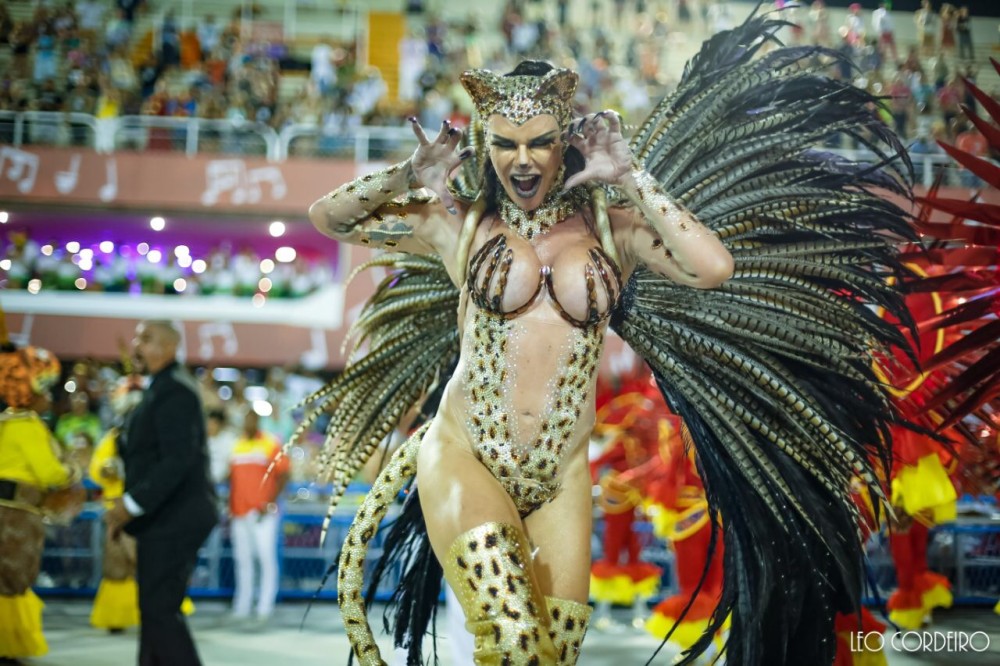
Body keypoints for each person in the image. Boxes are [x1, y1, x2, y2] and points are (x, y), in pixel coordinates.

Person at [305, 12, 914, 666]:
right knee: (513, 647)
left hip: (561, 476)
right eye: (505, 144)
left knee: (554, 656)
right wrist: (407, 174)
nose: (522, 159)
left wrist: (633, 179)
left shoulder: (612, 229)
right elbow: (328, 217)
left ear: (563, 142)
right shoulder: (455, 222)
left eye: (538, 142)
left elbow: (713, 268)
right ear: (484, 144)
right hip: (466, 455)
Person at [103, 320, 218, 666]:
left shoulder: (175, 390)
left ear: (169, 347)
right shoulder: (161, 387)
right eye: (137, 337)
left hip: (175, 517)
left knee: (160, 611)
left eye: (146, 338)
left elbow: (177, 460)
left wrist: (131, 504)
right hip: (166, 517)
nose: (136, 345)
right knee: (155, 611)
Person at [0, 341, 78, 662]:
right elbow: (49, 473)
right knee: (13, 580)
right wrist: (71, 469)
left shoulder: (6, 422)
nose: (50, 397)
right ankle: (8, 647)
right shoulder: (26, 426)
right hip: (17, 515)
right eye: (45, 388)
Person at [226, 408, 289, 624]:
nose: (248, 423)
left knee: (265, 558)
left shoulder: (270, 443)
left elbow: (284, 473)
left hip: (262, 512)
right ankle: (242, 604)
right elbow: (230, 476)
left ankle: (265, 605)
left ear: (258, 421)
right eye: (245, 419)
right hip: (238, 511)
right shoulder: (236, 444)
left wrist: (270, 501)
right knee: (242, 559)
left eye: (251, 419)